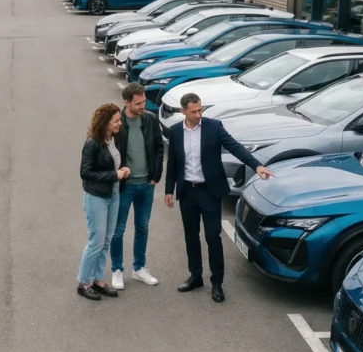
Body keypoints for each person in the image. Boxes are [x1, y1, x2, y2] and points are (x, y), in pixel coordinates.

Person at [164, 92, 274, 303]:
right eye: (193, 111)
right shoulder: (176, 131)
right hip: (187, 191)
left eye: (200, 110)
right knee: (191, 236)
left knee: (213, 237)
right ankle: (195, 276)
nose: (198, 114)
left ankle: (217, 282)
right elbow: (173, 163)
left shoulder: (214, 127)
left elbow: (235, 147)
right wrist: (169, 190)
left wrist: (256, 165)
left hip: (209, 191)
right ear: (183, 111)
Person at [109, 83, 165, 290]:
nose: (144, 106)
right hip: (124, 187)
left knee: (142, 227)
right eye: (138, 103)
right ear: (126, 103)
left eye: (144, 102)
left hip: (146, 185)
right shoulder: (117, 123)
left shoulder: (150, 119)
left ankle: (139, 268)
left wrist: (155, 177)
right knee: (118, 230)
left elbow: (159, 148)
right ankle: (117, 270)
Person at [78, 103, 129, 301]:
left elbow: (112, 163)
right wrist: (114, 174)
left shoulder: (113, 139)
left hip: (113, 194)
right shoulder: (92, 143)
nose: (119, 123)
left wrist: (122, 170)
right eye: (116, 120)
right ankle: (84, 282)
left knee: (107, 239)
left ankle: (99, 280)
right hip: (96, 197)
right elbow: (85, 172)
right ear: (105, 122)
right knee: (96, 241)